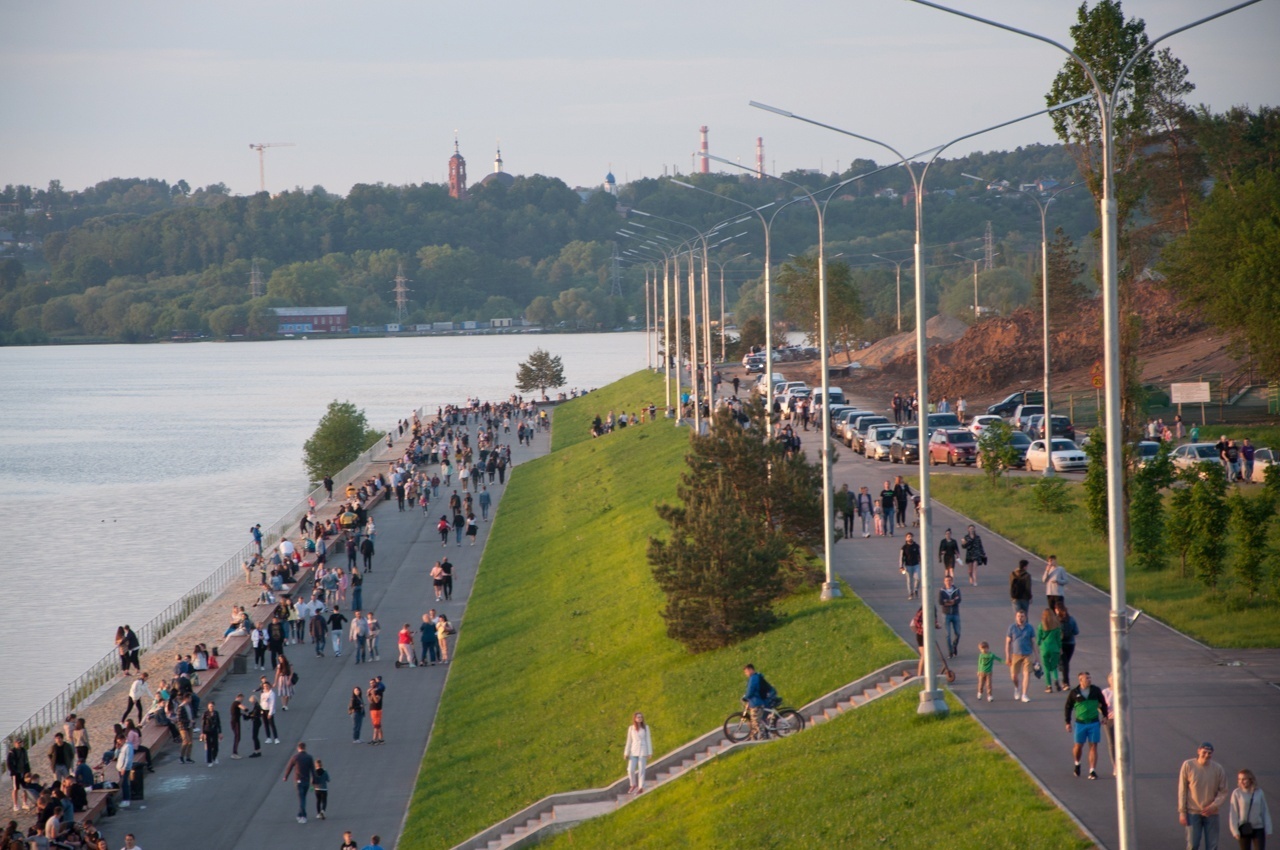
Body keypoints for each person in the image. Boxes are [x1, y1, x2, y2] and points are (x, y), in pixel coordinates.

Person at [1179, 742, 1229, 850]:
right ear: (1198, 751)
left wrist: (1214, 806)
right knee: (1192, 845)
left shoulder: (1218, 769)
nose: (1207, 755)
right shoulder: (1188, 765)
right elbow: (1182, 790)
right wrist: (1182, 812)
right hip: (1193, 813)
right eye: (1204, 752)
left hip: (1212, 814)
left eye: (1209, 753)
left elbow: (1223, 791)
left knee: (1212, 846)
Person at [1063, 672, 1107, 781]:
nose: (1089, 680)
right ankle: (1077, 763)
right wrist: (1067, 722)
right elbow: (1068, 707)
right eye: (1086, 678)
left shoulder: (1096, 690)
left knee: (1093, 746)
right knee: (1078, 746)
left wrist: (1105, 715)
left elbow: (1103, 703)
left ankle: (1092, 770)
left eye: (1090, 677)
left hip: (1094, 723)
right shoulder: (1074, 693)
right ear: (1080, 680)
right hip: (1080, 723)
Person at [1229, 768, 1272, 848]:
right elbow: (1233, 813)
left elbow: (1264, 811)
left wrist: (1268, 829)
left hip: (1258, 828)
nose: (1241, 781)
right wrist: (1234, 831)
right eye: (1239, 779)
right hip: (1244, 828)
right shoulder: (1236, 793)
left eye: (1244, 779)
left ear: (1250, 779)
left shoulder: (1259, 792)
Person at [1004, 609, 1037, 703]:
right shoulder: (1012, 628)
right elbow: (1007, 643)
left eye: (1022, 616)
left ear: (1025, 617)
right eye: (1018, 616)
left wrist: (1037, 657)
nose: (1020, 618)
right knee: (1014, 676)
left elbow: (1033, 643)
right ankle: (1017, 687)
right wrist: (1007, 656)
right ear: (1016, 617)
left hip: (1028, 654)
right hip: (1015, 654)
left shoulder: (1030, 628)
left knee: (1026, 674)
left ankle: (1024, 694)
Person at [282, 742, 316, 824]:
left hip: (298, 781)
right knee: (303, 798)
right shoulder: (309, 757)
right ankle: (299, 814)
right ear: (305, 748)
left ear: (298, 748)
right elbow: (313, 770)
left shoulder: (295, 757)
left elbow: (289, 767)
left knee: (301, 799)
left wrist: (285, 777)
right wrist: (314, 780)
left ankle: (303, 816)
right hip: (306, 781)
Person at [741, 664, 774, 741]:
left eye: (746, 671)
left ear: (751, 670)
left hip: (756, 703)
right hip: (755, 702)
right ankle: (755, 738)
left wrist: (745, 697)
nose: (746, 673)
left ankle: (764, 737)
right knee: (754, 722)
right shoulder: (755, 677)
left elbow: (751, 690)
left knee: (756, 722)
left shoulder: (753, 678)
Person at [624, 712, 653, 795]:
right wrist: (626, 752)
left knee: (641, 770)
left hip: (643, 750)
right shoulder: (631, 728)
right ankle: (633, 784)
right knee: (630, 769)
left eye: (641, 717)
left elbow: (648, 740)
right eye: (638, 717)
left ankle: (641, 787)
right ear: (635, 719)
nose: (640, 718)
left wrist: (649, 752)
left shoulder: (646, 728)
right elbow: (629, 741)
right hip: (634, 750)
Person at [1036, 608, 1064, 693]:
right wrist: (1060, 648)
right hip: (1054, 648)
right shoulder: (1056, 625)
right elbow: (1058, 639)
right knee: (1054, 666)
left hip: (1044, 648)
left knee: (1046, 667)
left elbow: (1039, 638)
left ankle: (1049, 686)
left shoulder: (1041, 625)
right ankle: (1056, 680)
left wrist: (1038, 646)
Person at [939, 574, 962, 658]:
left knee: (958, 633)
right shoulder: (942, 591)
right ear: (944, 582)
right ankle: (950, 652)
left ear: (952, 581)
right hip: (946, 614)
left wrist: (949, 601)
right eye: (946, 581)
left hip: (955, 613)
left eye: (949, 580)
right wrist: (951, 601)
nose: (948, 582)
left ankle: (954, 646)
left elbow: (958, 599)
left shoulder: (956, 590)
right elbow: (941, 601)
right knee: (947, 634)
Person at [1056, 604, 1080, 684]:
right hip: (1070, 644)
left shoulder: (1056, 620)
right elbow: (1076, 631)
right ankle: (1065, 680)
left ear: (1057, 610)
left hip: (1061, 644)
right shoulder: (1071, 619)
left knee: (1064, 663)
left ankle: (1065, 682)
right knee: (1066, 663)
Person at [899, 532, 922, 600]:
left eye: (911, 536)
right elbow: (901, 558)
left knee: (918, 578)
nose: (910, 538)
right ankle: (910, 593)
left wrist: (922, 561)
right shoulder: (904, 548)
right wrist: (901, 567)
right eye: (908, 537)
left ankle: (916, 589)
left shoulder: (916, 546)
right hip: (908, 566)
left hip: (916, 565)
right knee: (909, 581)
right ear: (906, 538)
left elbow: (920, 555)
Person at [201, 700, 223, 766]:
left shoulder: (216, 713)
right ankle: (209, 761)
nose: (211, 707)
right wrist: (202, 733)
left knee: (216, 746)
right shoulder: (205, 713)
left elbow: (218, 723)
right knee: (209, 746)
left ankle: (214, 757)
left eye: (212, 706)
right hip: (207, 731)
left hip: (214, 731)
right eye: (210, 706)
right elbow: (203, 723)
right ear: (208, 707)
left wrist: (220, 732)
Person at [367, 679, 385, 745]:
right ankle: (381, 739)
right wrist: (368, 694)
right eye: (370, 683)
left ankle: (374, 739)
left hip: (377, 709)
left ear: (376, 683)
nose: (371, 684)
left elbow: (376, 700)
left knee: (376, 725)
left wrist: (373, 694)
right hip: (372, 709)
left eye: (373, 683)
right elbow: (370, 701)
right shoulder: (371, 690)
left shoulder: (378, 691)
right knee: (378, 725)